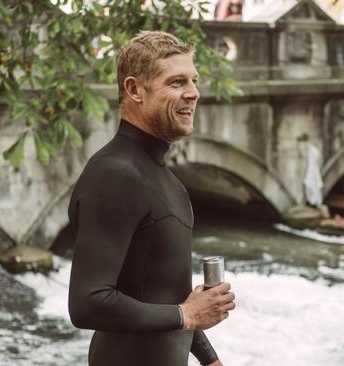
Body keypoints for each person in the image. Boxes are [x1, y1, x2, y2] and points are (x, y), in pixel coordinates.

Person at [67, 31, 235, 366]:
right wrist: (186, 315)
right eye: (176, 82)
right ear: (134, 90)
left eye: (193, 80)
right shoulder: (114, 174)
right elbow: (88, 303)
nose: (193, 93)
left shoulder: (167, 181)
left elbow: (166, 296)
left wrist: (209, 359)